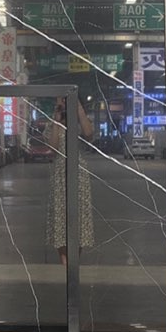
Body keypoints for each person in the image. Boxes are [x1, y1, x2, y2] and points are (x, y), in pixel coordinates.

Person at [45, 98, 95, 265]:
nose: (64, 103)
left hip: (79, 173)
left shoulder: (80, 122)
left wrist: (78, 107)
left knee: (78, 217)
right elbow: (53, 147)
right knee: (60, 217)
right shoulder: (53, 123)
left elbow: (88, 134)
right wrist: (57, 118)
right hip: (60, 174)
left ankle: (74, 263)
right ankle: (64, 262)